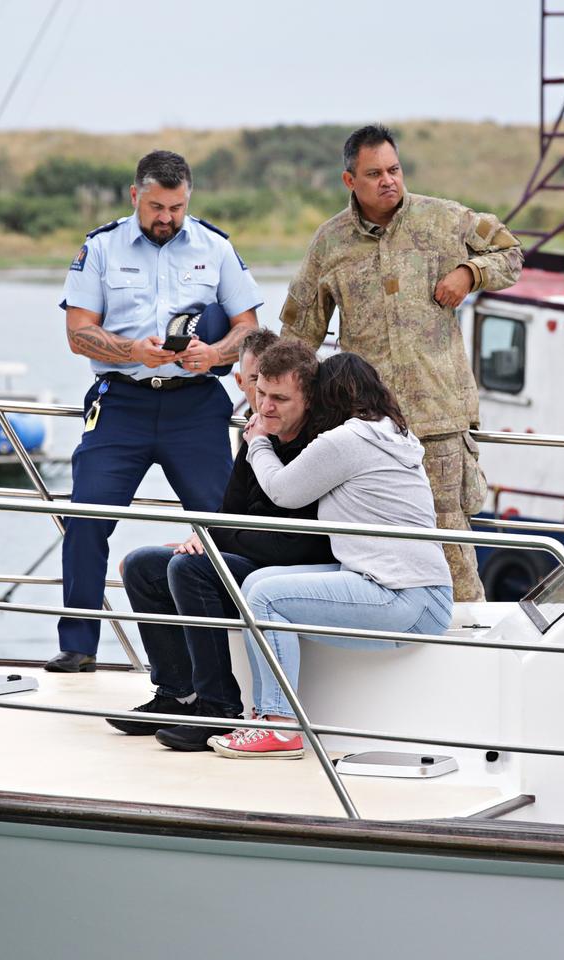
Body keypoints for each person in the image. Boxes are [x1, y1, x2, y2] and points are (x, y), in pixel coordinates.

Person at [279, 124, 524, 602]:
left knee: (452, 550)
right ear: (351, 181)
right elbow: (299, 332)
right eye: (375, 174)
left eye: (394, 169)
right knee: (370, 549)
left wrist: (470, 272)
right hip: (366, 430)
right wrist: (272, 401)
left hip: (438, 422)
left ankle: (465, 651)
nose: (389, 180)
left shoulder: (445, 219)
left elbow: (512, 254)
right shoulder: (329, 244)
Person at [45, 149, 262, 673]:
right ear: (135, 196)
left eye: (177, 207)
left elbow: (250, 328)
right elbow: (78, 334)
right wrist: (130, 350)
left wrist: (215, 354)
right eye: (157, 207)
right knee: (86, 519)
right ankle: (78, 646)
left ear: (189, 199)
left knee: (225, 524)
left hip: (197, 406)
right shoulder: (100, 247)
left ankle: (236, 641)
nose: (167, 218)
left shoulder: (216, 246)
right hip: (122, 404)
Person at [210, 352, 453, 760]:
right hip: (421, 593)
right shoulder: (392, 432)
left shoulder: (347, 440)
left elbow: (284, 491)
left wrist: (258, 444)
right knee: (256, 583)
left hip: (402, 597)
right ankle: (266, 715)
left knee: (265, 599)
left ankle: (280, 726)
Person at [109, 339, 335, 749]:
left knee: (192, 567)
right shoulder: (257, 428)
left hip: (295, 567)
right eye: (260, 393)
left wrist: (212, 541)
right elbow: (229, 510)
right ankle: (177, 694)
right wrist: (205, 537)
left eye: (280, 398)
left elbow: (298, 541)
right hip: (253, 556)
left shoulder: (321, 446)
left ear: (309, 397)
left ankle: (218, 708)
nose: (265, 406)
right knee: (144, 564)